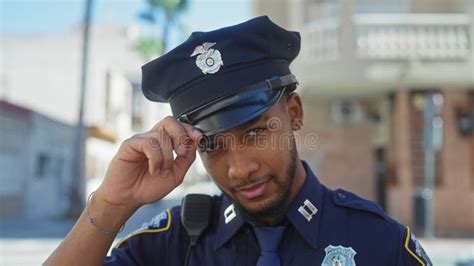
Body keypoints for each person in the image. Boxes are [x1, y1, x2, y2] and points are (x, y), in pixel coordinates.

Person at [45, 16, 432, 266]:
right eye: (212, 144)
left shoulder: (378, 243)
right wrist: (113, 204)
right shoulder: (174, 245)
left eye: (256, 132)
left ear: (294, 113)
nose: (239, 168)